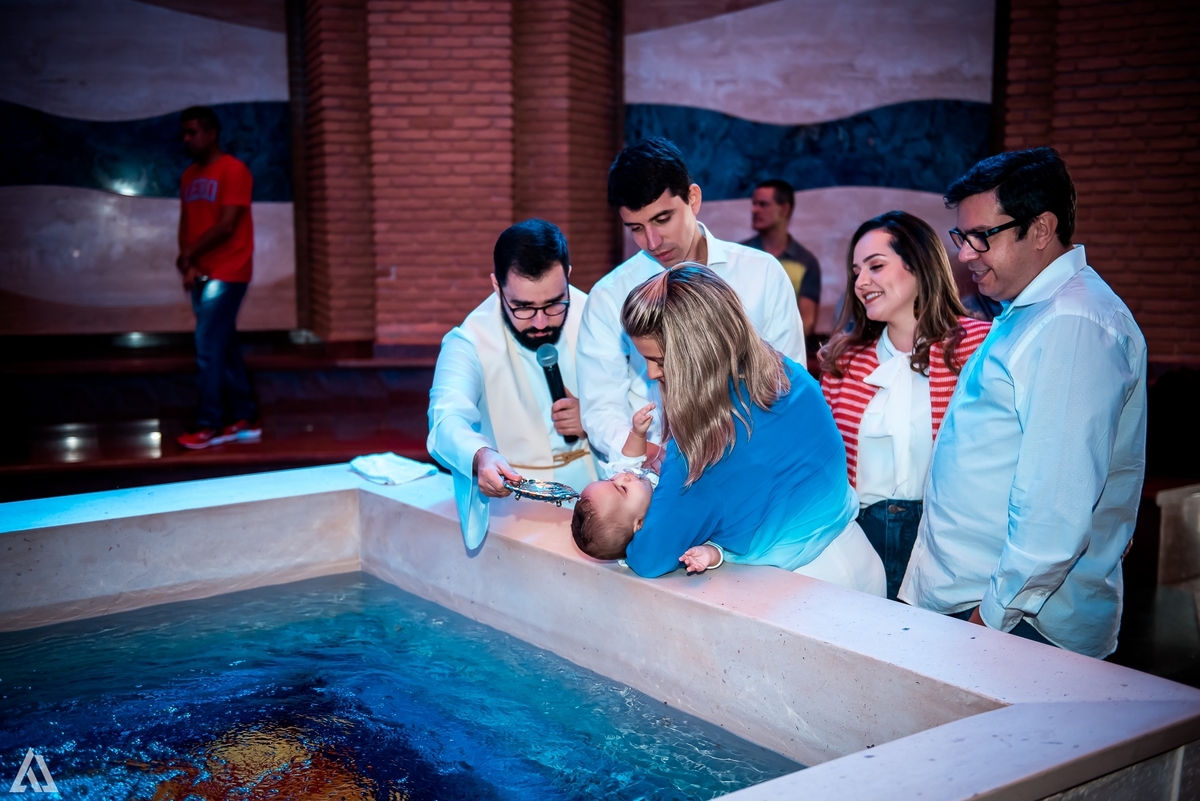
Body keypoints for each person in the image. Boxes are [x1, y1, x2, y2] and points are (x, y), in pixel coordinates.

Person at [899, 148, 1148, 659]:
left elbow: (1054, 507)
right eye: (961, 237)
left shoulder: (1072, 324)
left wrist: (991, 617)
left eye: (980, 237)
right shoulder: (1033, 311)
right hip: (989, 603)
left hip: (1020, 621)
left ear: (1040, 229)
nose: (966, 254)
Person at [572, 265, 885, 596]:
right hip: (859, 557)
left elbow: (650, 558)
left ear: (696, 356)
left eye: (661, 361)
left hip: (806, 589)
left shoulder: (699, 446)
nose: (651, 373)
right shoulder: (787, 373)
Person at [578, 139, 805, 474]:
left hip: (752, 465)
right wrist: (649, 453)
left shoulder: (761, 273)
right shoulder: (610, 295)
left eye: (663, 219)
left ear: (693, 199)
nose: (652, 242)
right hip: (655, 473)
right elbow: (601, 407)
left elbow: (788, 383)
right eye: (636, 229)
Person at [818, 211, 990, 601]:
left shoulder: (978, 348)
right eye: (856, 271)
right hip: (859, 537)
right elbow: (824, 464)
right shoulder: (843, 361)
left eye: (876, 266)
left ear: (919, 265)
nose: (861, 282)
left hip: (946, 539)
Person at [427, 219, 598, 549]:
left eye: (553, 304)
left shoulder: (599, 317)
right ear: (496, 285)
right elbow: (445, 420)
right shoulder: (469, 340)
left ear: (568, 275)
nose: (540, 322)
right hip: (514, 506)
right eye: (522, 307)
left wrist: (594, 417)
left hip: (600, 502)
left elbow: (644, 404)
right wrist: (480, 457)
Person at [175, 106, 260, 450]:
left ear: (211, 133)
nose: (187, 139)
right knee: (224, 347)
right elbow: (187, 222)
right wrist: (190, 263)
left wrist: (190, 253)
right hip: (201, 271)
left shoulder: (234, 170)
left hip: (229, 270)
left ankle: (209, 424)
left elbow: (226, 226)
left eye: (193, 132)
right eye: (185, 133)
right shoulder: (188, 175)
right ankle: (245, 418)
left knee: (208, 346)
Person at [742, 179, 822, 338]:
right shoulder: (740, 255)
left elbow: (807, 321)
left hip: (785, 354)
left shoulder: (806, 262)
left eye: (763, 204)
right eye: (754, 204)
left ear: (784, 209)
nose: (754, 210)